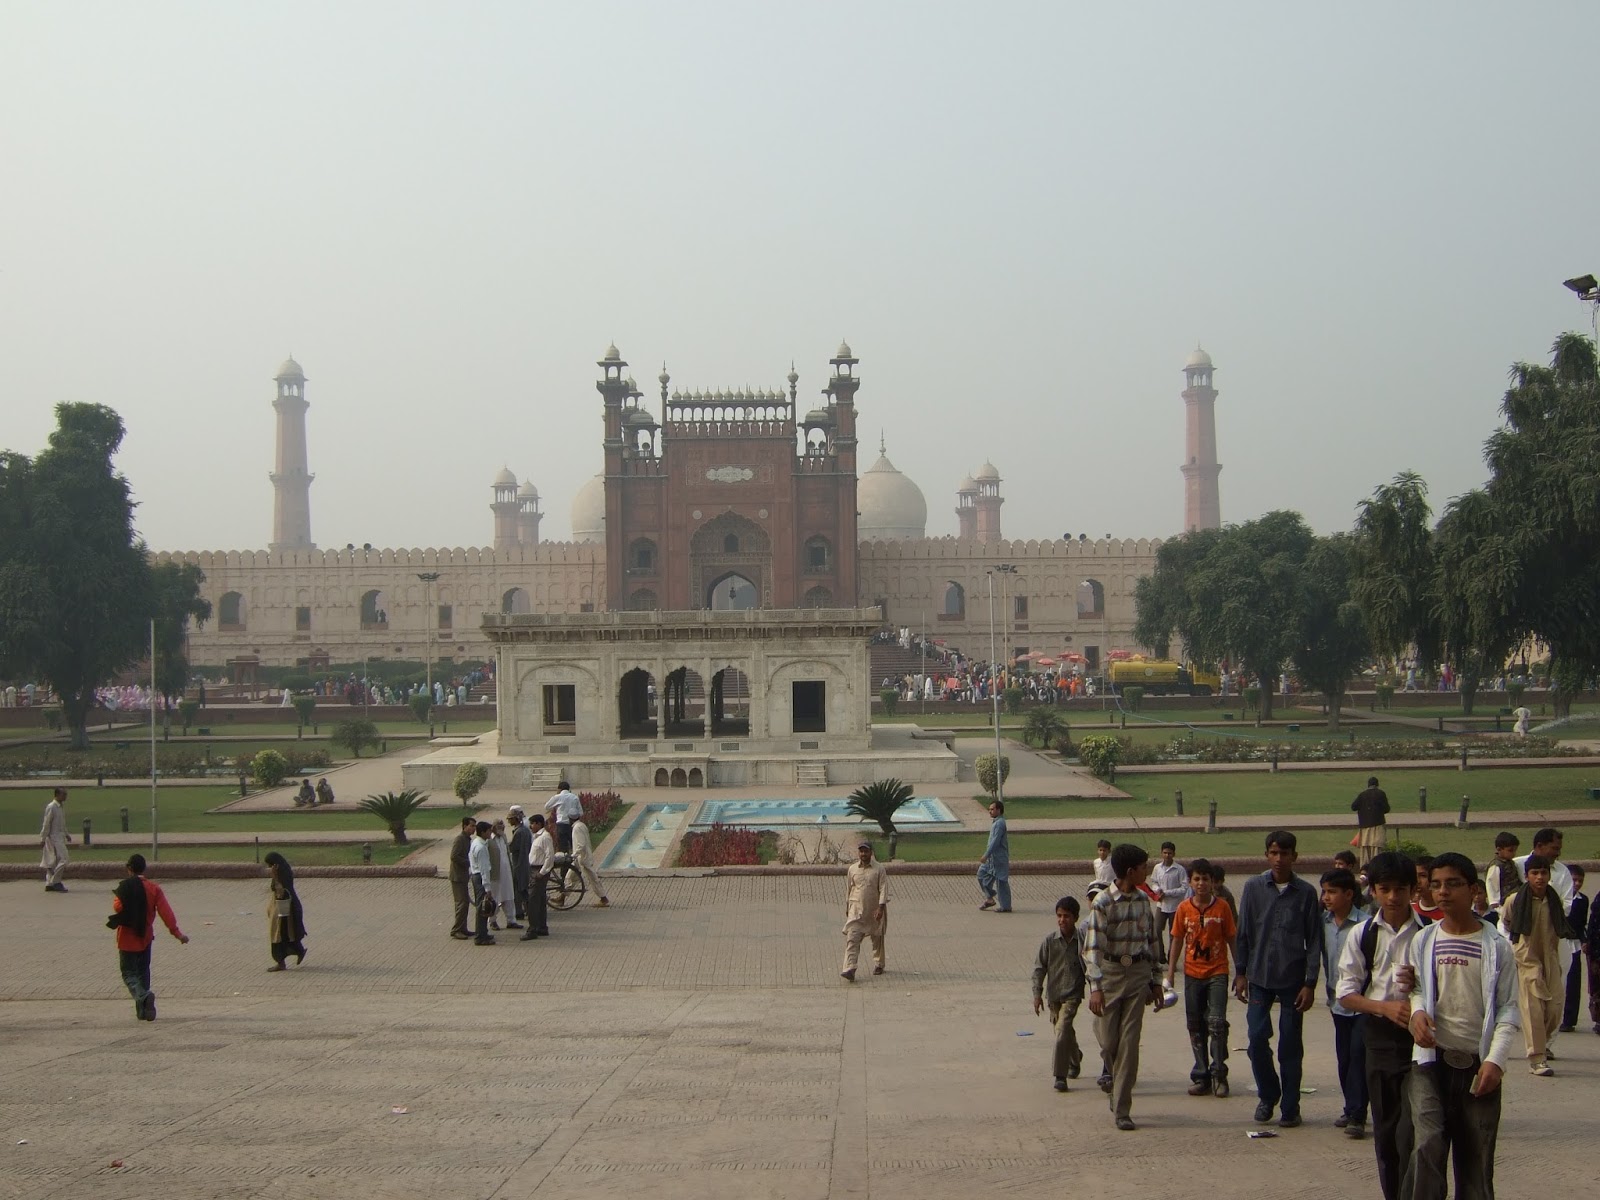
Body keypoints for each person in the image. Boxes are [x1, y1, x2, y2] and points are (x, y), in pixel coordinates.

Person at [1406, 853, 1519, 1200]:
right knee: (1427, 1145)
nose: (1442, 892)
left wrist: (1495, 1061)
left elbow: (1509, 1009)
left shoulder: (1497, 948)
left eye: (1452, 884)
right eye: (1436, 884)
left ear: (1473, 890)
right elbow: (1418, 990)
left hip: (1476, 1068)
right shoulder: (1424, 941)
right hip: (1430, 1063)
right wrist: (1416, 1014)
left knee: (1476, 1164)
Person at [1336, 851, 1424, 1200]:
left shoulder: (1429, 934)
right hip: (1380, 1038)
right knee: (1387, 1133)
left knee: (1416, 1131)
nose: (1392, 897)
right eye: (1384, 889)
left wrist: (1419, 985)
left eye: (1400, 889)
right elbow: (1346, 994)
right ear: (1372, 890)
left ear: (1413, 890)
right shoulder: (1362, 935)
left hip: (1421, 1039)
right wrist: (1383, 1008)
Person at [1233, 830, 1322, 1128]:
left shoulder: (1306, 893)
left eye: (1285, 853)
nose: (1279, 859)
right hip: (1259, 976)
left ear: (1295, 856)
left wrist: (1310, 983)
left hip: (1293, 981)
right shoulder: (1254, 887)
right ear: (1266, 855)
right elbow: (1243, 933)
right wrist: (1241, 973)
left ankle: (1291, 1105)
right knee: (1257, 1038)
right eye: (1274, 853)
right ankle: (1268, 1095)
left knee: (1290, 1047)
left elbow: (1315, 941)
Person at [1083, 843, 1164, 1131]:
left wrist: (1156, 981)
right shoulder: (1103, 903)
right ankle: (1116, 1083)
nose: (1147, 871)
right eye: (1144, 867)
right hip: (1110, 975)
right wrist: (1095, 987)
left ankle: (1122, 1108)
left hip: (1138, 975)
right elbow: (1092, 949)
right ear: (1131, 871)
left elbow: (1152, 943)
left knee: (1129, 1044)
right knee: (1109, 1042)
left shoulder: (1144, 901)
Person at [1165, 856, 1237, 1098]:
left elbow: (1231, 938)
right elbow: (1176, 939)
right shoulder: (1184, 909)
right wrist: (1170, 971)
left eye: (1205, 879)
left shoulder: (1222, 907)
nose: (1201, 883)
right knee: (1195, 1025)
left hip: (1217, 971)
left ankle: (1219, 1074)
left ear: (1212, 882)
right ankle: (1201, 1074)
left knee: (1216, 1022)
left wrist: (1242, 972)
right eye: (1197, 879)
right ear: (1190, 882)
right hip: (1192, 973)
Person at [1501, 853, 1573, 1075]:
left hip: (1550, 957)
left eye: (1543, 873)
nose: (1540, 877)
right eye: (1535, 873)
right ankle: (1537, 1058)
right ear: (1527, 876)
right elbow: (1507, 921)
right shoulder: (1515, 900)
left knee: (1554, 1008)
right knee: (1533, 1008)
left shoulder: (1553, 900)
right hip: (1527, 958)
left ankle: (1543, 1043)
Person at [108, 853, 188, 1020]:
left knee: (129, 973)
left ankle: (143, 997)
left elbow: (117, 908)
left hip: (126, 938)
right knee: (143, 972)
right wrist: (177, 933)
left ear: (129, 869)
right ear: (144, 868)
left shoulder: (125, 887)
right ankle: (144, 1011)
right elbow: (166, 913)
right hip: (145, 938)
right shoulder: (154, 889)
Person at [1320, 867, 1367, 1136]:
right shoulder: (1323, 923)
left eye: (1332, 892)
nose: (1327, 897)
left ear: (1349, 894)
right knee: (1345, 1058)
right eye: (1324, 892)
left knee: (1359, 1056)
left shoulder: (1364, 925)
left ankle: (1358, 1114)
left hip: (1362, 1002)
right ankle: (1351, 1107)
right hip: (1336, 1001)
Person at [1032, 896, 1086, 1092]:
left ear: (1076, 917)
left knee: (1062, 1030)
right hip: (1054, 995)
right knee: (1065, 1032)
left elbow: (1092, 966)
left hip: (1073, 994)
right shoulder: (1049, 941)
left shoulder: (1083, 941)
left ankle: (1060, 1076)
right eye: (1059, 916)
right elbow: (1039, 969)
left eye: (1067, 916)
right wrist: (1037, 994)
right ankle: (1075, 1056)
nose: (1062, 920)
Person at [841, 839, 888, 981]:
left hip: (874, 910)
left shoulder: (879, 869)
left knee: (877, 938)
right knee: (852, 938)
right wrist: (848, 907)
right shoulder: (852, 869)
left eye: (866, 851)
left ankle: (879, 963)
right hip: (856, 910)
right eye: (861, 851)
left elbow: (883, 889)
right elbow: (849, 889)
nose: (863, 854)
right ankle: (850, 968)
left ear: (871, 853)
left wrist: (880, 908)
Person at [263, 851, 307, 970]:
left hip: (285, 909)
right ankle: (299, 951)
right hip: (285, 908)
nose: (269, 867)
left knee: (279, 935)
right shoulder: (283, 870)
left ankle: (281, 962)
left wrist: (275, 876)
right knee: (286, 935)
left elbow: (280, 891)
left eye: (270, 865)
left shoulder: (282, 874)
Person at [1559, 865, 1587, 1032]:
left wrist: (1584, 940)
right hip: (1560, 941)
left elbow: (1581, 923)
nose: (1576, 884)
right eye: (1574, 880)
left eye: (1580, 881)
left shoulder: (1582, 900)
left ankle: (1569, 1020)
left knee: (1573, 982)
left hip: (1574, 944)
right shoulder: (1559, 899)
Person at [1149, 841, 1188, 959]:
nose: (1167, 855)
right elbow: (1154, 882)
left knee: (1174, 933)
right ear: (1161, 853)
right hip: (1161, 905)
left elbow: (1184, 888)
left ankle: (1172, 958)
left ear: (1174, 854)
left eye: (1169, 853)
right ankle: (1160, 955)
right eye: (1165, 853)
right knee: (1156, 930)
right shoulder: (1157, 868)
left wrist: (1167, 893)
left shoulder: (1179, 870)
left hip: (1175, 907)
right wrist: (1158, 890)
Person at [519, 813, 553, 940]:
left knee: (532, 901)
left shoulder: (545, 837)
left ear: (539, 824)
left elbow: (550, 856)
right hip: (533, 869)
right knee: (540, 900)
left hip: (538, 871)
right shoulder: (537, 836)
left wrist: (542, 872)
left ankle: (532, 929)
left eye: (533, 824)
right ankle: (542, 927)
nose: (531, 826)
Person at [977, 800, 1011, 912]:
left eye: (992, 809)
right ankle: (990, 898)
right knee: (981, 874)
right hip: (991, 860)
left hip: (998, 859)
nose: (990, 811)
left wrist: (986, 855)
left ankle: (1005, 907)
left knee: (1001, 882)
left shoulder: (1000, 823)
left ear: (999, 810)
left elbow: (995, 842)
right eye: (989, 809)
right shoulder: (996, 822)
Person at [570, 815, 610, 908]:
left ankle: (604, 899)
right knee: (570, 877)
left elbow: (581, 844)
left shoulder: (577, 828)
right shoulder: (581, 825)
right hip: (580, 858)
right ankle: (562, 897)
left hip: (583, 858)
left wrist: (574, 854)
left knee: (592, 878)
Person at [1351, 776, 1390, 867]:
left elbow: (1353, 807)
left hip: (1364, 827)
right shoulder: (1381, 793)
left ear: (1368, 785)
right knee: (1377, 849)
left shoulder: (1362, 794)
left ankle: (1364, 871)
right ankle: (1377, 868)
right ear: (1377, 785)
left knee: (1365, 849)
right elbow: (1387, 809)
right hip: (1378, 825)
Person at [468, 820, 496, 945]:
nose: (491, 833)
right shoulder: (481, 848)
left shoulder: (476, 843)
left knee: (482, 906)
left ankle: (483, 932)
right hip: (480, 878)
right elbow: (484, 870)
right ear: (483, 832)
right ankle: (480, 936)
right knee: (483, 907)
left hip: (475, 875)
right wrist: (488, 888)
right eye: (489, 831)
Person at [448, 815, 475, 940]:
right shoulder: (459, 839)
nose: (473, 829)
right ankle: (457, 929)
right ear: (465, 826)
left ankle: (463, 928)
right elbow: (454, 856)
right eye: (471, 826)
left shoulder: (468, 839)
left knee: (465, 903)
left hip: (463, 876)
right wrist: (468, 862)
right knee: (461, 903)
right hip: (457, 876)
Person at [490, 820, 519, 929]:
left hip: (507, 872)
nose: (502, 829)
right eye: (499, 827)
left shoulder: (503, 838)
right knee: (495, 898)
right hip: (495, 875)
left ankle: (511, 920)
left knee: (509, 896)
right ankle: (492, 920)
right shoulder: (490, 840)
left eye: (502, 827)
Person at [1483, 831, 1521, 916]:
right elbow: (1492, 884)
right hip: (1504, 901)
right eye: (1510, 850)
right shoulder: (1496, 866)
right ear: (1499, 849)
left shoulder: (1511, 863)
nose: (1514, 853)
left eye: (1515, 850)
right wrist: (1494, 902)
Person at [40, 787, 70, 892]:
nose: (66, 797)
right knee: (64, 859)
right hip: (52, 837)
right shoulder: (51, 807)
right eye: (64, 794)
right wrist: (43, 838)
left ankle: (49, 883)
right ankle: (56, 882)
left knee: (52, 861)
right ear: (57, 795)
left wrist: (67, 834)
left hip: (59, 837)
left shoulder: (61, 807)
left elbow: (62, 823)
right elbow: (46, 823)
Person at [507, 807, 532, 924]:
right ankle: (527, 910)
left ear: (515, 819)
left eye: (510, 819)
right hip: (525, 863)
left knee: (519, 890)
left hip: (518, 864)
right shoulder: (525, 830)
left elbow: (512, 848)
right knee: (523, 889)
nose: (509, 821)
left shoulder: (519, 832)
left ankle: (520, 912)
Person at [545, 780, 581, 853]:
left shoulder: (558, 797)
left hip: (561, 824)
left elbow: (547, 806)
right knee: (574, 845)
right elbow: (580, 812)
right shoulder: (575, 797)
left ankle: (565, 862)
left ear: (560, 789)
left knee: (563, 847)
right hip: (573, 824)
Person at [1412, 856, 1443, 923]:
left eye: (1423, 876)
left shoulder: (1449, 912)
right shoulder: (1410, 912)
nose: (1418, 881)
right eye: (1414, 876)